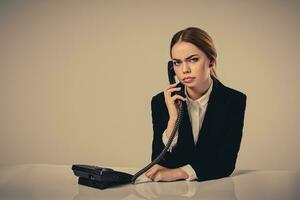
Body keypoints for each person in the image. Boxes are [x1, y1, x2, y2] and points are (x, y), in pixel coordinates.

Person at [145, 27, 247, 182]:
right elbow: (158, 162)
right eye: (177, 63)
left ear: (211, 61)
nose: (185, 70)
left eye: (193, 59)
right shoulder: (161, 102)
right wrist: (173, 119)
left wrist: (179, 172)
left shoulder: (233, 101)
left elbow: (225, 163)